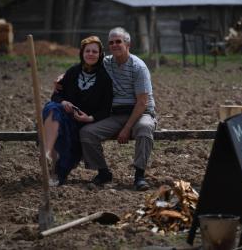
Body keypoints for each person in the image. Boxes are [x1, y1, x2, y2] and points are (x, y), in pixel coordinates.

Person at [79, 27, 156, 191]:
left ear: (127, 44)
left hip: (140, 112)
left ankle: (139, 175)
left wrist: (127, 128)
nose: (114, 45)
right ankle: (103, 172)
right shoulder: (106, 63)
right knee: (87, 132)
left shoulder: (138, 67)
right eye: (111, 42)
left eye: (118, 41)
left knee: (144, 128)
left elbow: (142, 102)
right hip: (116, 114)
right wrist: (63, 77)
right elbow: (84, 67)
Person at [42, 36, 112, 186]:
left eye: (95, 51)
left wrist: (90, 118)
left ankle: (60, 171)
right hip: (67, 117)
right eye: (88, 51)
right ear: (82, 53)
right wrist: (64, 102)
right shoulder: (72, 72)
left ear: (100, 54)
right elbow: (56, 94)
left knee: (72, 135)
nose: (91, 54)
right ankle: (52, 156)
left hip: (87, 122)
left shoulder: (105, 78)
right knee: (51, 107)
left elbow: (107, 108)